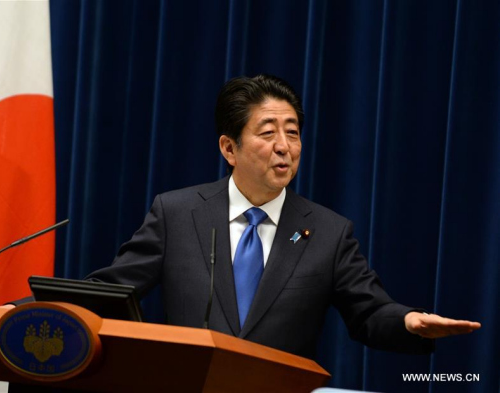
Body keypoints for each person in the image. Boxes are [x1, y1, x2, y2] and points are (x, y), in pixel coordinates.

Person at [83, 74, 480, 359]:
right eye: (268, 132)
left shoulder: (328, 232)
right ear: (229, 148)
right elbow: (112, 289)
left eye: (292, 132)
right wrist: (25, 308)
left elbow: (369, 311)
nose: (284, 147)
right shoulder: (177, 213)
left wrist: (408, 320)